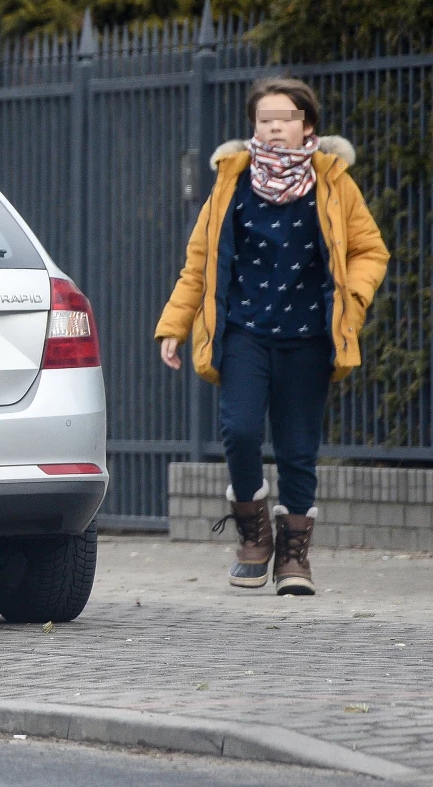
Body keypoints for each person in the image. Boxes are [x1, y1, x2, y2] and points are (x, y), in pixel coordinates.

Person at [155, 77, 388, 596]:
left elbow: (371, 251)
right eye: (264, 119)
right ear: (253, 127)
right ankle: (254, 533)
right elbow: (201, 263)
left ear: (307, 124)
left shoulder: (334, 182)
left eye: (284, 117)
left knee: (297, 449)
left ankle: (294, 560)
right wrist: (175, 325)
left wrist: (353, 302)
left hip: (308, 338)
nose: (274, 126)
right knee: (238, 431)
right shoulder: (230, 182)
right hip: (244, 332)